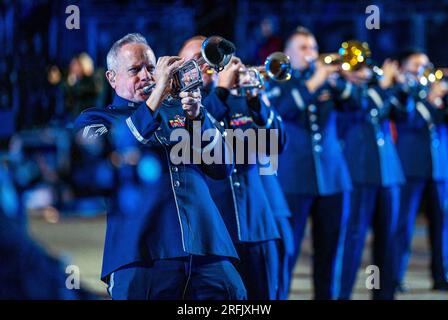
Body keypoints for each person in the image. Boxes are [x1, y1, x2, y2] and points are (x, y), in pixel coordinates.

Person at [72, 33, 246, 300]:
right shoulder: (97, 119)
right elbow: (115, 149)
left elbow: (222, 167)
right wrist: (157, 96)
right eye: (134, 69)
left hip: (208, 249)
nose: (146, 76)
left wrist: (200, 118)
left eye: (151, 68)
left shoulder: (181, 109)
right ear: (111, 78)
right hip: (140, 254)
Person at [179, 36, 285, 300]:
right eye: (195, 59)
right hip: (213, 233)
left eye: (209, 58)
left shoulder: (243, 98)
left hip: (256, 224)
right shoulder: (180, 106)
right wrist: (220, 92)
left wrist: (255, 100)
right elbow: (194, 144)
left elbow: (276, 146)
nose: (204, 65)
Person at [266, 27, 353, 299]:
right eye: (303, 48)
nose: (311, 53)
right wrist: (315, 82)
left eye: (313, 48)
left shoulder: (331, 81)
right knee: (287, 251)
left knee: (329, 251)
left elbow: (358, 105)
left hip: (332, 177)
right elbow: (283, 111)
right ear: (288, 54)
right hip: (293, 178)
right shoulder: (277, 79)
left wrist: (342, 82)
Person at [336, 61, 405, 299]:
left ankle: (384, 294)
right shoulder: (345, 91)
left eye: (366, 67)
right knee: (353, 238)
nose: (364, 72)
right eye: (357, 68)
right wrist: (385, 85)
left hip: (388, 173)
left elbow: (405, 116)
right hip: (360, 172)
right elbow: (365, 108)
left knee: (388, 237)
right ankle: (342, 293)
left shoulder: (380, 89)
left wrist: (403, 89)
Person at [391, 49, 448, 291]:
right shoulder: (402, 92)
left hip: (438, 169)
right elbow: (408, 120)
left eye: (425, 65)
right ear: (403, 68)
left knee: (442, 226)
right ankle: (395, 276)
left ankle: (440, 276)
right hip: (410, 168)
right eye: (416, 65)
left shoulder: (436, 94)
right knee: (403, 225)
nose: (422, 70)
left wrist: (438, 98)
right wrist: (429, 98)